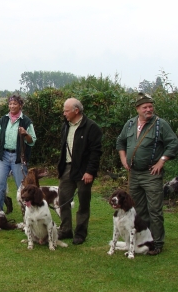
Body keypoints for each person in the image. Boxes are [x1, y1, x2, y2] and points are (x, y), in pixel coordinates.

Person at [116, 92, 178, 255]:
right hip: (134, 174)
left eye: (151, 106)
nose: (148, 109)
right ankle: (141, 240)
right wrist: (123, 158)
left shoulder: (160, 124)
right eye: (145, 107)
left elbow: (173, 143)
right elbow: (120, 142)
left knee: (155, 210)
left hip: (151, 174)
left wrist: (162, 161)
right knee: (136, 209)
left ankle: (157, 243)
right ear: (137, 109)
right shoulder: (130, 124)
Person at [57, 98, 103, 245]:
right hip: (67, 168)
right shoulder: (66, 126)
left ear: (76, 111)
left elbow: (96, 152)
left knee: (83, 202)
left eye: (66, 110)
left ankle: (80, 233)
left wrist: (90, 171)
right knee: (63, 200)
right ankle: (65, 230)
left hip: (84, 170)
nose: (64, 113)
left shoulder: (91, 127)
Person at [0, 94, 37, 210]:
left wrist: (25, 134)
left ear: (20, 105)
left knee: (23, 187)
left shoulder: (26, 121)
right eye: (10, 104)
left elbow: (32, 141)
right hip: (3, 156)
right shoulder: (3, 120)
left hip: (18, 157)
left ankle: (28, 214)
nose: (12, 106)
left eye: (15, 104)